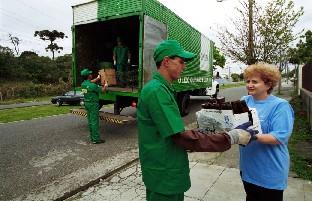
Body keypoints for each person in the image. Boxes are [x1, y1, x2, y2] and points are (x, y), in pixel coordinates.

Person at [137, 40, 257, 201]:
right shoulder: (157, 91)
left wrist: (203, 132)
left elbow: (169, 130)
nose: (184, 66)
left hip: (166, 168)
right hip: (164, 174)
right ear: (166, 61)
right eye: (180, 61)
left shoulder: (163, 88)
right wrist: (231, 137)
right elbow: (180, 136)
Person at [240, 63, 295, 201]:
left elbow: (279, 137)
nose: (249, 84)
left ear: (268, 84)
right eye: (248, 81)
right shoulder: (244, 101)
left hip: (270, 170)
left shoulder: (280, 106)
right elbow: (236, 125)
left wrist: (252, 135)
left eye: (255, 81)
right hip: (248, 168)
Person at [81, 68, 107, 144]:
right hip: (93, 104)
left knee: (90, 121)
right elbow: (103, 91)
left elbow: (90, 83)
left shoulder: (83, 84)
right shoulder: (93, 86)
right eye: (90, 74)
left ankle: (92, 138)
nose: (91, 74)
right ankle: (96, 139)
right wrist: (105, 85)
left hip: (87, 103)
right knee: (94, 122)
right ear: (89, 76)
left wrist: (98, 78)